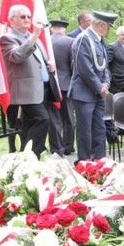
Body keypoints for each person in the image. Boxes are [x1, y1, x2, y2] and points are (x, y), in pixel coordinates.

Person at [0, 5, 53, 158]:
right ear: (12, 20)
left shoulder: (33, 37)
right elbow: (17, 56)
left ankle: (29, 155)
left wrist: (49, 65)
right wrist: (35, 35)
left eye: (29, 17)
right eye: (23, 17)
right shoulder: (7, 38)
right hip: (24, 91)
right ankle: (29, 155)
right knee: (43, 119)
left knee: (29, 125)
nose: (27, 20)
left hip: (42, 88)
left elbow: (39, 60)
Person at [69, 11, 116, 162]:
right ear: (102, 25)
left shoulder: (99, 40)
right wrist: (99, 87)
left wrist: (106, 83)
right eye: (108, 26)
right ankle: (85, 163)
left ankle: (100, 162)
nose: (109, 30)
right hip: (84, 93)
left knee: (99, 129)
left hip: (98, 93)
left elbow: (105, 66)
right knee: (85, 131)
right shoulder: (83, 39)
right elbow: (84, 68)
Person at [48, 18, 75, 155]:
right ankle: (68, 146)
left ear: (52, 28)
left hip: (49, 85)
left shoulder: (45, 41)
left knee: (53, 118)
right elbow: (73, 65)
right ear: (64, 29)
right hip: (66, 84)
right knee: (68, 118)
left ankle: (56, 148)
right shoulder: (71, 41)